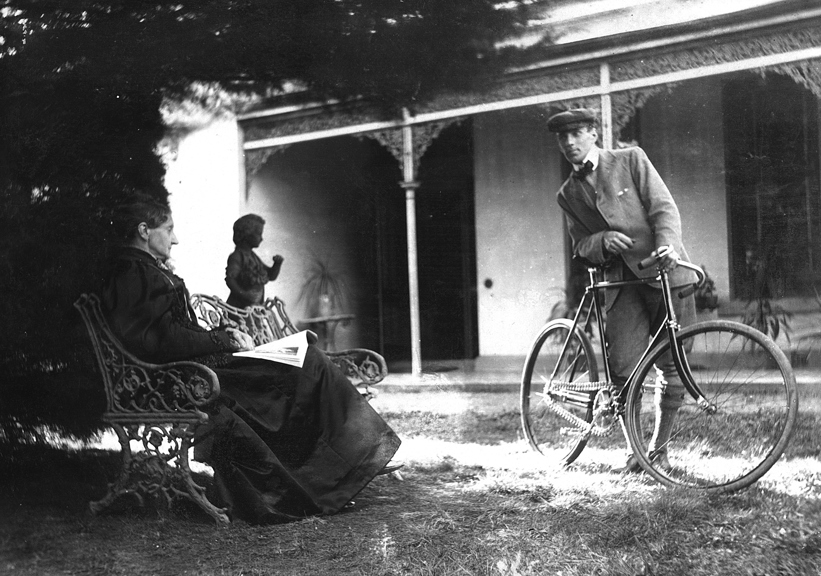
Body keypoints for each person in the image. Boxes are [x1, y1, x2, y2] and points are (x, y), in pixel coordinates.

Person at [101, 195, 401, 524]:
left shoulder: (142, 270)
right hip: (179, 379)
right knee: (305, 363)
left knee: (304, 357)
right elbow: (155, 342)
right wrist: (219, 339)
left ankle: (351, 462)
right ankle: (346, 468)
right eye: (169, 229)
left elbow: (169, 332)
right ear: (144, 230)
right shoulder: (131, 273)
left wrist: (221, 333)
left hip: (193, 369)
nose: (175, 238)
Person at [546, 108, 696, 472]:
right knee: (624, 371)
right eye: (562, 138)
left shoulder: (632, 160)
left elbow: (664, 209)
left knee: (673, 366)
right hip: (621, 286)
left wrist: (668, 247)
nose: (569, 143)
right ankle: (636, 452)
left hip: (667, 274)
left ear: (594, 134)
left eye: (576, 134)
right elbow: (580, 245)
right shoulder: (568, 193)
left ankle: (659, 450)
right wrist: (602, 239)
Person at [225, 213, 284, 308]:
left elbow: (270, 276)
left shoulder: (254, 258)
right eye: (259, 234)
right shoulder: (237, 256)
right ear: (247, 233)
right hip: (238, 309)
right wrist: (244, 294)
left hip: (254, 308)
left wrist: (277, 264)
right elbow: (230, 280)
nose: (261, 238)